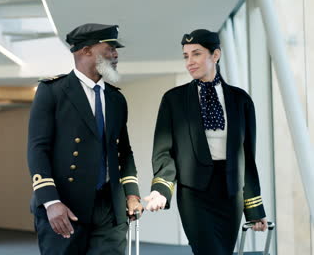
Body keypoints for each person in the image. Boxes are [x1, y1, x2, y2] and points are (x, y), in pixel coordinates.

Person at [144, 29, 268, 254]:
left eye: (196, 54)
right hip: (194, 194)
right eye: (186, 56)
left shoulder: (241, 101)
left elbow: (247, 157)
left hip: (231, 194)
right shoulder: (174, 100)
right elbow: (164, 151)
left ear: (216, 55)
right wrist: (160, 189)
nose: (189, 62)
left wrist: (255, 208)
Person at [27, 23, 143, 255]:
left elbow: (124, 151)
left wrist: (131, 193)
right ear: (86, 50)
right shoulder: (52, 91)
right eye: (109, 48)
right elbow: (37, 149)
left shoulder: (116, 99)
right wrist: (51, 202)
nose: (116, 54)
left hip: (110, 206)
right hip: (65, 205)